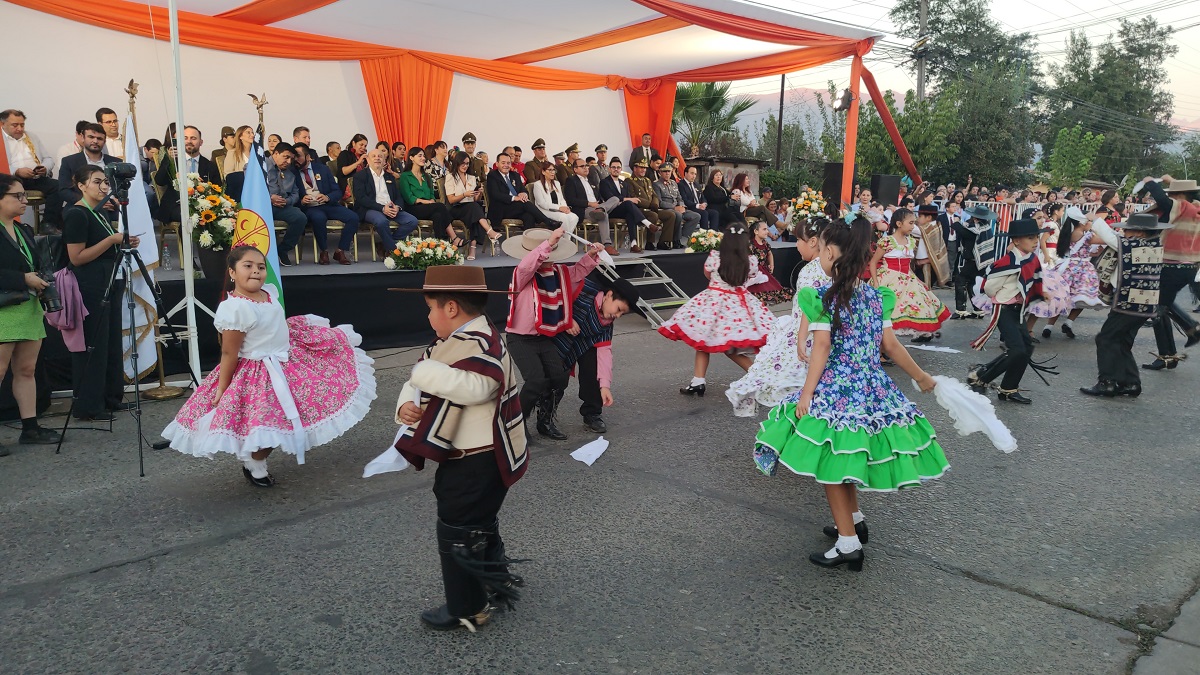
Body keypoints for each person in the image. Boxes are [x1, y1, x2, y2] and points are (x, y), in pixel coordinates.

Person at [752, 216, 945, 571]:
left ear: (830, 255)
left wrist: (806, 394)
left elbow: (821, 347)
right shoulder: (876, 296)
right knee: (846, 456)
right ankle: (853, 521)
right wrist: (921, 377)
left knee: (830, 465)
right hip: (872, 389)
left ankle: (848, 544)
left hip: (839, 388)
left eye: (823, 250)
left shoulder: (824, 297)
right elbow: (890, 345)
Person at [162, 245, 375, 486]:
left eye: (260, 267)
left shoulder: (268, 292)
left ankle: (255, 457)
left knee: (293, 414)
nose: (256, 271)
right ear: (232, 272)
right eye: (248, 266)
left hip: (287, 361)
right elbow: (230, 352)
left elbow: (273, 325)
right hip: (257, 372)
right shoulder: (235, 308)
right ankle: (254, 461)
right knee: (267, 422)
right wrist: (222, 388)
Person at [391, 264, 528, 631]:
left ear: (451, 308)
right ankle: (497, 580)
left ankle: (468, 607)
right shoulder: (454, 342)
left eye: (430, 307)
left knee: (456, 527)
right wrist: (406, 404)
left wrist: (420, 374)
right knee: (479, 523)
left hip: (477, 459)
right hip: (480, 457)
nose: (429, 315)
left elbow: (479, 387)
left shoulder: (479, 342)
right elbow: (426, 381)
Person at [501, 228, 603, 440]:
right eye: (547, 253)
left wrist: (590, 256)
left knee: (559, 377)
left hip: (543, 337)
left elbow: (576, 273)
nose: (549, 258)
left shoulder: (557, 273)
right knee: (536, 381)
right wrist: (548, 243)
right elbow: (528, 265)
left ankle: (544, 421)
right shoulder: (522, 274)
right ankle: (515, 424)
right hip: (520, 338)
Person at [727, 217, 831, 418]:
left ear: (812, 241)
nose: (797, 245)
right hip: (825, 333)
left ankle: (793, 429)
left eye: (798, 240)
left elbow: (806, 310)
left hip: (807, 334)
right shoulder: (831, 266)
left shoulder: (810, 270)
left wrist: (800, 338)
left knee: (790, 384)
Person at [658, 225, 774, 394]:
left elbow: (707, 275)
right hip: (738, 306)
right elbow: (750, 277)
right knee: (730, 347)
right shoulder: (750, 261)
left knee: (704, 341)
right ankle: (756, 376)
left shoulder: (715, 258)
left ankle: (757, 377)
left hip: (713, 303)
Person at [63, 165, 136, 421]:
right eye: (97, 182)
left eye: (106, 182)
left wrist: (124, 242)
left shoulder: (100, 213)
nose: (104, 186)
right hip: (90, 284)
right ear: (81, 186)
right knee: (94, 343)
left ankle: (110, 397)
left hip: (110, 279)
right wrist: (111, 241)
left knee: (111, 341)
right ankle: (89, 405)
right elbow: (77, 257)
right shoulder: (76, 214)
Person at [0, 173, 61, 453]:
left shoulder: (22, 229)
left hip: (27, 307)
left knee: (26, 370)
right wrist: (24, 278)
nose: (25, 200)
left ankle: (30, 427)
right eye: (18, 196)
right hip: (4, 310)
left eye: (24, 195)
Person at [1080, 213, 1172, 397]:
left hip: (1129, 303)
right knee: (1121, 341)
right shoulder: (1154, 245)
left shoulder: (1134, 245)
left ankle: (1107, 382)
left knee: (1106, 338)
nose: (1124, 231)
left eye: (1127, 229)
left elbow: (1109, 237)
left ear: (1139, 232)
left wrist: (1094, 220)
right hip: (1145, 305)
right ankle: (1130, 382)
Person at [967, 218, 1048, 404]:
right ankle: (981, 376)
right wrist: (1002, 296)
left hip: (1018, 310)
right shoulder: (1007, 261)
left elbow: (1034, 279)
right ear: (1017, 241)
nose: (1036, 241)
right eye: (1030, 237)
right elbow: (989, 287)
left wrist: (1040, 292)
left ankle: (1008, 388)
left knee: (1026, 348)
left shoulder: (1031, 258)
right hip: (1003, 309)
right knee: (1017, 349)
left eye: (1036, 236)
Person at [551, 276, 640, 434]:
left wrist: (604, 386)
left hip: (585, 344)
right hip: (561, 334)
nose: (618, 316)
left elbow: (605, 354)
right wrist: (567, 319)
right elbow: (555, 299)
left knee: (593, 368)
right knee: (557, 376)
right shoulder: (584, 289)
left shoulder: (606, 325)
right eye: (618, 309)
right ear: (608, 295)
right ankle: (546, 413)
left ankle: (592, 413)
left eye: (622, 314)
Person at [1140, 176, 1200, 370]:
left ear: (1181, 195)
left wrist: (1150, 182)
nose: (1170, 197)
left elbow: (1163, 201)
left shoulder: (1182, 207)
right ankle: (1175, 347)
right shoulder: (1196, 208)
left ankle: (1185, 335)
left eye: (1173, 193)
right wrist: (1172, 181)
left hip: (1173, 265)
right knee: (1161, 304)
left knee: (1156, 306)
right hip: (1189, 266)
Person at [869, 208, 951, 343]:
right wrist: (876, 282)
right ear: (899, 223)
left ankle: (888, 345)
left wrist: (918, 280)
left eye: (914, 223)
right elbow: (873, 262)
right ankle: (882, 347)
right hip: (888, 278)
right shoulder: (887, 241)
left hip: (908, 279)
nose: (913, 226)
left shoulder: (910, 241)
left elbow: (908, 266)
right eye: (911, 223)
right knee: (887, 311)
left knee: (914, 308)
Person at [291, 142, 359, 265]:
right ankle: (324, 251)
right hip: (310, 207)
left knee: (353, 217)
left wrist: (327, 197)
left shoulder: (322, 169)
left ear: (307, 157)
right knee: (318, 218)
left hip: (328, 204)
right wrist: (301, 200)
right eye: (294, 156)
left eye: (298, 156)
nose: (295, 159)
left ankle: (340, 250)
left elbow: (337, 191)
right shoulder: (292, 173)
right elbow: (291, 196)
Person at [1, 110, 61, 230]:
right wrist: (17, 171)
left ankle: (48, 224)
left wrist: (44, 167)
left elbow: (48, 159)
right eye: (15, 125)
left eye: (22, 125)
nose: (19, 128)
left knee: (58, 186)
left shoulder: (31, 137)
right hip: (8, 179)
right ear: (3, 124)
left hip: (34, 177)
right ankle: (8, 227)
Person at [353, 148, 419, 256]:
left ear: (384, 161)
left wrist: (397, 207)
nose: (377, 158)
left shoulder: (389, 176)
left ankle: (385, 244)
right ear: (368, 160)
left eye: (380, 156)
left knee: (412, 221)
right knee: (382, 222)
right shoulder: (360, 176)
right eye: (373, 156)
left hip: (391, 208)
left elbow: (398, 196)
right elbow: (361, 198)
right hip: (371, 208)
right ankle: (393, 251)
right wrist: (382, 208)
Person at [443, 150, 503, 261]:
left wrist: (479, 193)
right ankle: (488, 232)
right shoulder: (450, 177)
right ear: (457, 163)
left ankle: (473, 248)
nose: (465, 166)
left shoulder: (471, 177)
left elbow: (475, 199)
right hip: (456, 208)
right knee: (475, 209)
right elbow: (451, 200)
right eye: (463, 163)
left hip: (470, 208)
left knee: (475, 209)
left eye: (467, 163)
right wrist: (464, 194)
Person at [155, 125, 222, 223]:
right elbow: (159, 181)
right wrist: (168, 160)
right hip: (175, 205)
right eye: (185, 138)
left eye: (193, 138)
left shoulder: (209, 165)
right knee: (189, 216)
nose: (189, 141)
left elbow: (218, 188)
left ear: (201, 142)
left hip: (201, 204)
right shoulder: (173, 161)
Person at [563, 157, 620, 256]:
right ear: (575, 169)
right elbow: (571, 200)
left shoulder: (591, 180)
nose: (586, 168)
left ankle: (601, 208)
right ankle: (607, 244)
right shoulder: (571, 180)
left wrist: (600, 204)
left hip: (597, 206)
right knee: (603, 214)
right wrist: (589, 204)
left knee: (615, 199)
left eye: (587, 166)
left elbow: (599, 196)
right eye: (582, 166)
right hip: (584, 209)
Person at [57, 123, 119, 213]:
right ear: (83, 138)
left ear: (105, 141)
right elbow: (64, 191)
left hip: (112, 208)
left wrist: (116, 202)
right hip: (83, 207)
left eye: (99, 138)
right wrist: (89, 202)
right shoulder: (69, 161)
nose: (95, 141)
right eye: (91, 137)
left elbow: (124, 189)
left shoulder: (116, 162)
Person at [597, 159, 654, 253]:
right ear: (609, 169)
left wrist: (627, 200)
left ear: (621, 169)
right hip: (609, 210)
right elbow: (610, 198)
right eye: (614, 167)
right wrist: (627, 199)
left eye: (618, 167)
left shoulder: (624, 183)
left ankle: (633, 244)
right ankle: (647, 223)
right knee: (628, 203)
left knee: (630, 213)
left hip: (622, 209)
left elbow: (627, 197)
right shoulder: (604, 182)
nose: (616, 169)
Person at [401, 147, 456, 244]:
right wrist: (426, 202)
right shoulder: (405, 176)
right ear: (411, 158)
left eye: (424, 156)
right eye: (420, 156)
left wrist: (431, 201)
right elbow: (409, 198)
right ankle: (454, 238)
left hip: (429, 206)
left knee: (438, 215)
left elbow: (432, 195)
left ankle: (441, 243)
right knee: (440, 206)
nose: (423, 158)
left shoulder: (426, 176)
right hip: (413, 207)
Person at [264, 142, 307, 267]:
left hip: (282, 206)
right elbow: (251, 186)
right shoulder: (261, 165)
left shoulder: (290, 173)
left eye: (291, 159)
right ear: (276, 153)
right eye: (286, 157)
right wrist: (269, 198)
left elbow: (295, 194)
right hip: (262, 205)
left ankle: (283, 249)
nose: (288, 162)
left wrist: (287, 201)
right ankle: (262, 253)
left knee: (300, 217)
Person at [487, 152, 546, 232]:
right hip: (501, 209)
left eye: (508, 163)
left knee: (529, 216)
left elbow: (523, 189)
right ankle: (546, 220)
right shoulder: (493, 175)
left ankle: (528, 241)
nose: (506, 165)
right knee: (525, 203)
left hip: (517, 208)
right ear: (497, 164)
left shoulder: (514, 175)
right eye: (503, 163)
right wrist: (515, 198)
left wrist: (524, 193)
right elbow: (495, 194)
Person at [747, 220, 791, 304]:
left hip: (764, 271)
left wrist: (772, 265)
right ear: (756, 231)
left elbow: (770, 254)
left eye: (767, 229)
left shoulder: (765, 243)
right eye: (764, 229)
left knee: (770, 290)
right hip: (754, 272)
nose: (767, 232)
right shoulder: (751, 244)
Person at [655, 164, 699, 246]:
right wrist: (675, 207)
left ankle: (682, 236)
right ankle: (676, 240)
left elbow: (679, 197)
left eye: (669, 171)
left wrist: (682, 206)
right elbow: (660, 202)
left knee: (696, 216)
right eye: (665, 171)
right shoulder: (656, 184)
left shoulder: (674, 183)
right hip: (666, 209)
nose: (667, 173)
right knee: (678, 215)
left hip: (678, 208)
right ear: (660, 173)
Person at [531, 160, 578, 234]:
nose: (552, 172)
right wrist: (559, 208)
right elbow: (542, 203)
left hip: (558, 210)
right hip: (544, 211)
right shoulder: (538, 185)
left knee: (574, 217)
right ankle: (565, 240)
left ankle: (565, 238)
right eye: (550, 170)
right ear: (543, 172)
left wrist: (565, 208)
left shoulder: (557, 183)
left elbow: (562, 199)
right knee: (564, 218)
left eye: (553, 170)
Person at [677, 165, 714, 234]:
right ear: (685, 173)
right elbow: (684, 200)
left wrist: (704, 203)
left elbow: (702, 197)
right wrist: (697, 205)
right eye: (692, 173)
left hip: (700, 207)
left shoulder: (696, 184)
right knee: (704, 213)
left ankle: (713, 236)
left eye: (695, 174)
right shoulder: (681, 184)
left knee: (714, 213)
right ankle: (703, 236)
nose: (694, 176)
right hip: (690, 207)